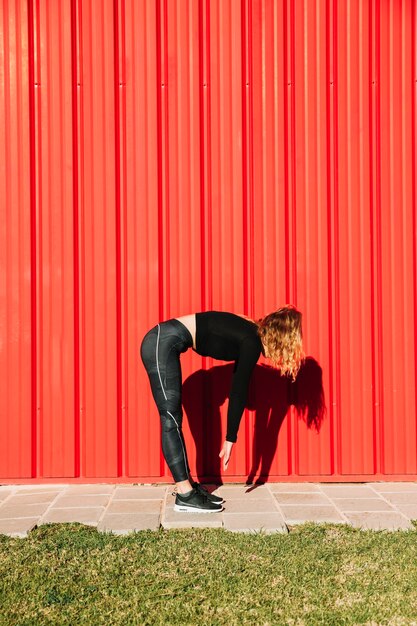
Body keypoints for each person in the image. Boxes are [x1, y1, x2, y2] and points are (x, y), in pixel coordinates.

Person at [140, 306, 304, 513]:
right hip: (160, 343)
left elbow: (239, 388)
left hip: (164, 342)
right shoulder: (250, 340)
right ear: (284, 336)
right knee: (170, 419)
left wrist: (231, 439)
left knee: (173, 419)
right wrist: (230, 439)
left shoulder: (250, 335)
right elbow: (238, 391)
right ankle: (184, 494)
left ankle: (188, 487)